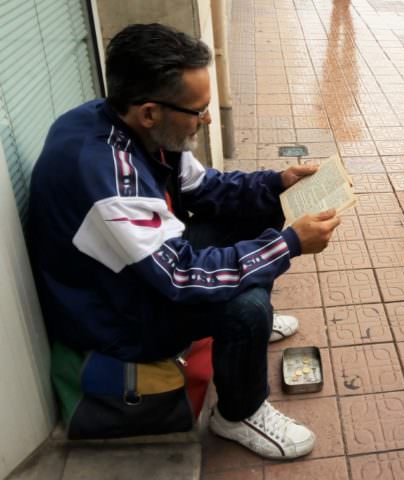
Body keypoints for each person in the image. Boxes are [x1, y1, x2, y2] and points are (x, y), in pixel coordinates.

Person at [28, 23, 340, 459]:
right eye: (199, 110)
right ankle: (238, 413)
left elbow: (206, 188)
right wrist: (289, 244)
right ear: (152, 111)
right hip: (114, 316)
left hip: (140, 271)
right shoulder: (107, 178)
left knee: (260, 212)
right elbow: (182, 277)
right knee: (244, 307)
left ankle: (244, 338)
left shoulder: (135, 122)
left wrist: (278, 183)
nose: (207, 119)